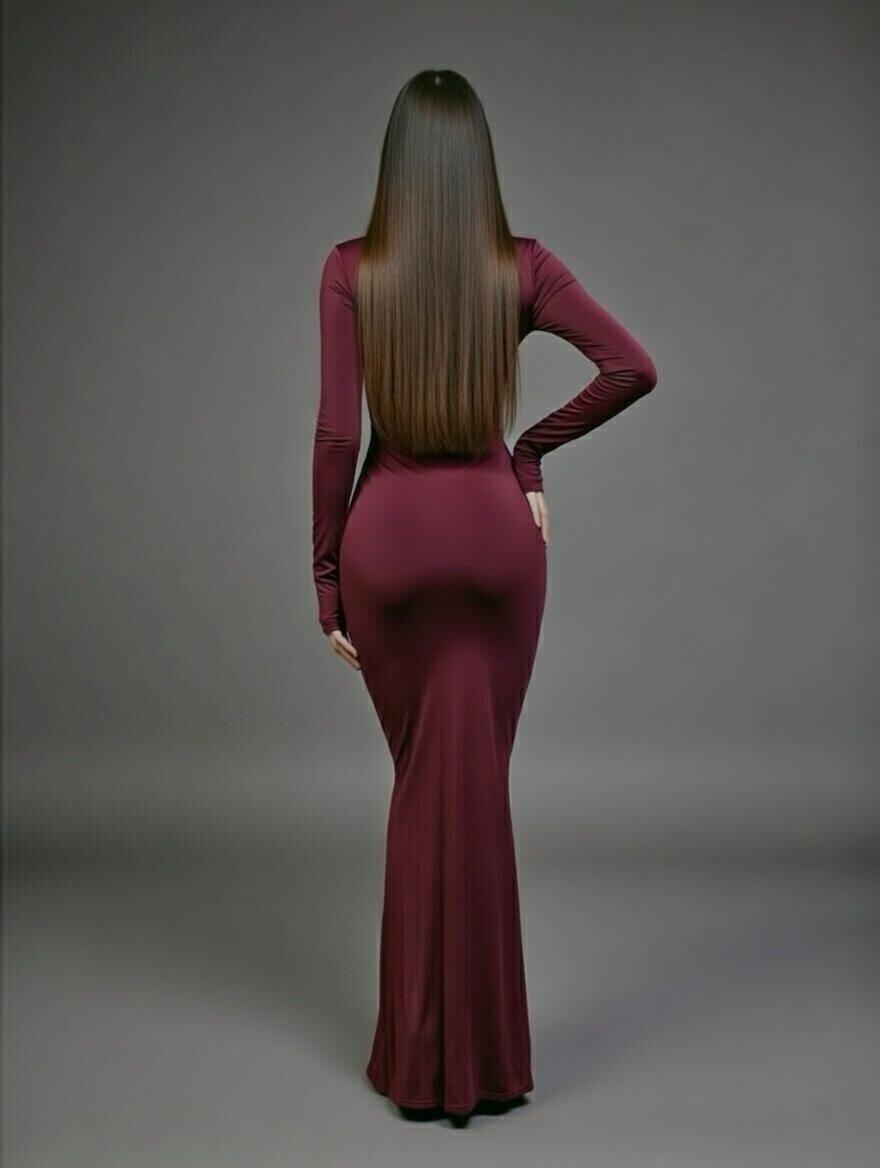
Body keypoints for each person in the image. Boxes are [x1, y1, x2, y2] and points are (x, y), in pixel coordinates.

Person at [311, 69, 658, 1118]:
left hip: (389, 544)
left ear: (395, 168)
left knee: (423, 780)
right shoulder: (524, 266)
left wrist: (325, 574)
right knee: (476, 785)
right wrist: (527, 455)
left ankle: (420, 1061)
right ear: (480, 169)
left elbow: (336, 437)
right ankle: (488, 1062)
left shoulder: (350, 270)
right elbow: (630, 366)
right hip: (497, 541)